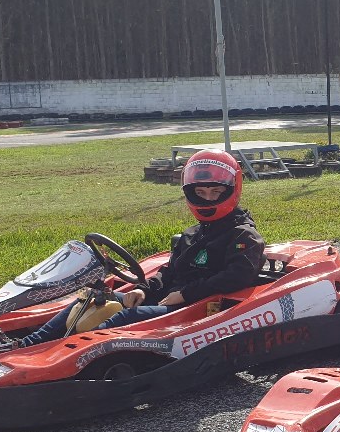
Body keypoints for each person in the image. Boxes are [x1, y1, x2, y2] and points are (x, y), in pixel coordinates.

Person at [14, 149, 265, 348]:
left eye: (215, 192)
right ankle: (28, 344)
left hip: (201, 306)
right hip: (173, 299)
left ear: (231, 191)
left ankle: (64, 355)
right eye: (201, 192)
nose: (208, 198)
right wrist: (143, 290)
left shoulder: (243, 235)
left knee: (124, 318)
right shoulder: (193, 234)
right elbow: (169, 272)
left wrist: (186, 294)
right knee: (89, 299)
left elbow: (238, 276)